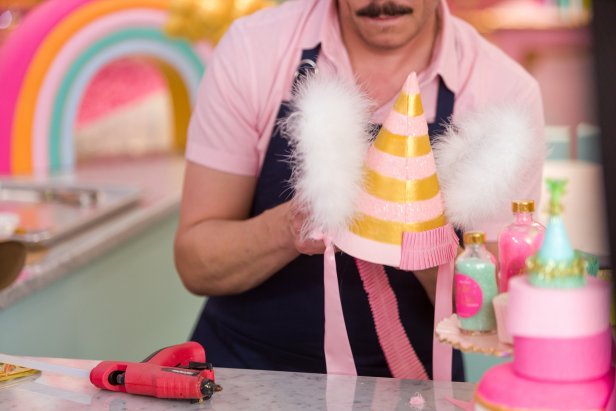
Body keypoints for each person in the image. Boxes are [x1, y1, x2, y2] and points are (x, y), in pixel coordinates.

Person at [174, 0, 544, 381]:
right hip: (241, 370)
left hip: (407, 386)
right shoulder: (254, 50)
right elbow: (195, 265)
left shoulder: (504, 96)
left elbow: (495, 316)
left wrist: (424, 239)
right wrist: (291, 225)